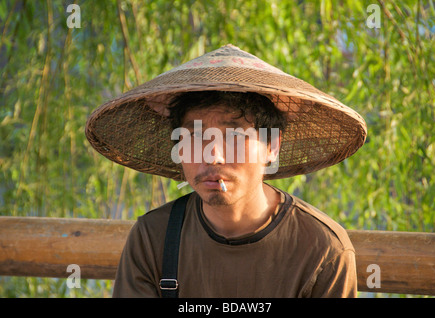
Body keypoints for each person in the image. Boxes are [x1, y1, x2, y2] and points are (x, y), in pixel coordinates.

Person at [85, 44, 367, 298]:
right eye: (195, 138)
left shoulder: (322, 250)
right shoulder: (153, 238)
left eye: (233, 137)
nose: (214, 156)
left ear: (272, 146)